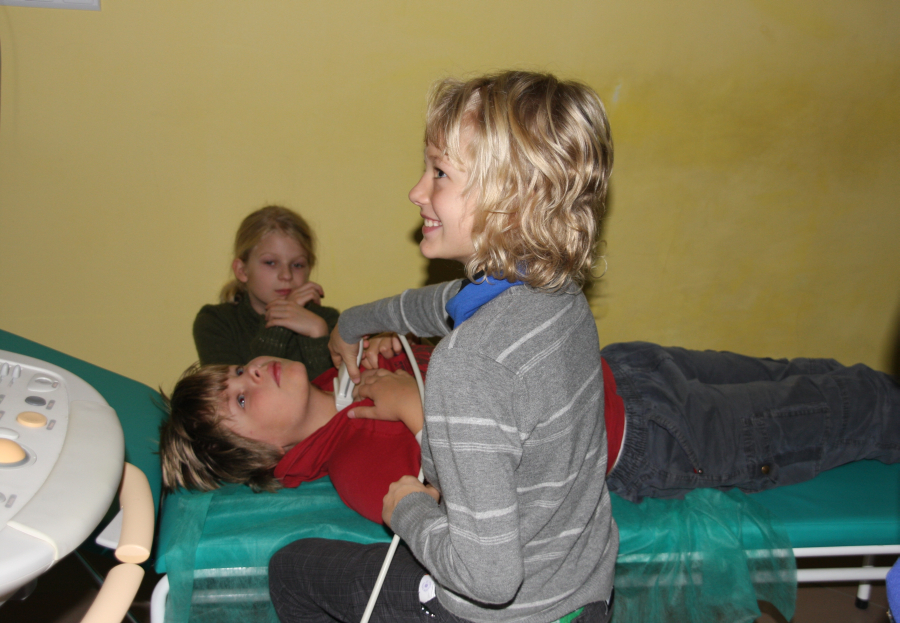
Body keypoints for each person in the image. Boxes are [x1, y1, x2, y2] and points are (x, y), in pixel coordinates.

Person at [269, 70, 618, 623]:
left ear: (510, 201)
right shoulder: (556, 292)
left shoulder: (468, 367)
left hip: (498, 612)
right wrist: (353, 323)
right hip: (586, 589)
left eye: (439, 173)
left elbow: (489, 580)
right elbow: (443, 304)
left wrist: (408, 510)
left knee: (291, 572)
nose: (417, 191)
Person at [159, 342, 431, 524]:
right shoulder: (358, 469)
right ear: (262, 452)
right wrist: (412, 404)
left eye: (239, 370)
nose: (253, 369)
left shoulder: (355, 364)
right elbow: (444, 529)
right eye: (241, 400)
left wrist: (400, 341)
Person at [193, 205, 339, 380]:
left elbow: (333, 394)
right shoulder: (215, 322)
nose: (286, 275)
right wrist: (279, 323)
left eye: (297, 265)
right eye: (270, 262)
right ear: (242, 270)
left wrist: (318, 334)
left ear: (309, 269)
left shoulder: (328, 321)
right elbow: (239, 391)